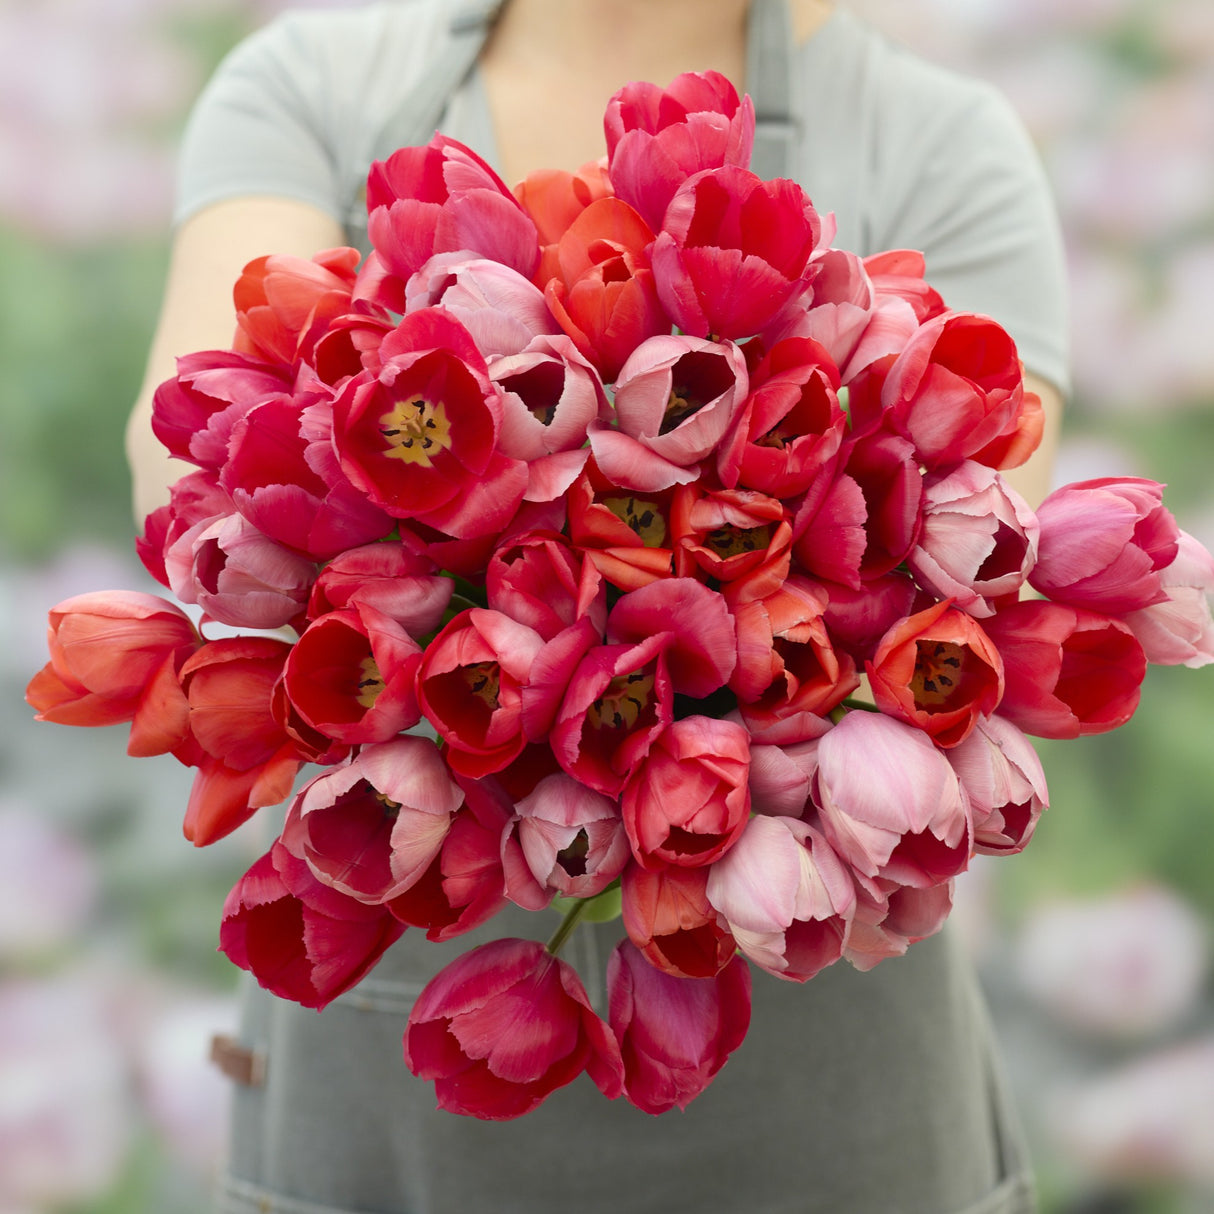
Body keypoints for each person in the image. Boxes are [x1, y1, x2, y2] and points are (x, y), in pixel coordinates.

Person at [126, 2, 1069, 1211]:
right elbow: (203, 477)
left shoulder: (939, 136)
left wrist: (497, 541)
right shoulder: (318, 81)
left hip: (831, 1076)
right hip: (389, 1077)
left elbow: (960, 564)